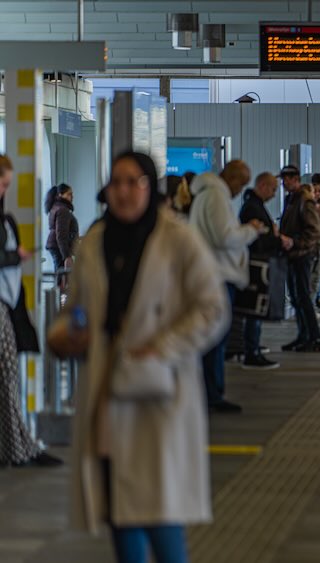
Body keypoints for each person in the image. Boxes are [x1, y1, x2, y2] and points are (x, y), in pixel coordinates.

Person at [48, 151, 227, 563]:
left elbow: (212, 308)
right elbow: (74, 309)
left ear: (149, 186)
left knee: (160, 509)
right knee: (119, 509)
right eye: (117, 183)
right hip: (107, 391)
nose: (125, 191)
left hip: (160, 389)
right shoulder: (93, 242)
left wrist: (162, 347)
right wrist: (65, 336)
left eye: (135, 182)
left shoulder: (177, 239)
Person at [189, 160, 266, 413]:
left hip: (211, 273)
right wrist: (251, 230)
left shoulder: (207, 195)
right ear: (231, 178)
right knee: (216, 337)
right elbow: (225, 237)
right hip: (218, 275)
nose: (239, 191)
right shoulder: (215, 196)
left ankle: (210, 392)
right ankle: (213, 395)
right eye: (241, 184)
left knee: (214, 336)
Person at [0, 155, 61, 468]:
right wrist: (13, 256)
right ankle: (18, 448)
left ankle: (18, 446)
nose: (4, 190)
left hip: (8, 305)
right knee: (7, 376)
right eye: (3, 183)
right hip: (3, 306)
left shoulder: (6, 220)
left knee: (8, 377)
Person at [239, 172, 292, 369]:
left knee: (256, 311)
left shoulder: (254, 205)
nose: (273, 194)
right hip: (257, 263)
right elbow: (258, 238)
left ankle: (253, 347)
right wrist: (278, 239)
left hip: (258, 261)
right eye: (272, 189)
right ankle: (251, 352)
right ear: (262, 185)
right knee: (254, 310)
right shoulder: (252, 207)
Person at [278, 165, 320, 352]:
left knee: (303, 297)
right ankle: (303, 336)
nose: (283, 183)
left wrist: (294, 242)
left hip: (302, 256)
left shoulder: (305, 200)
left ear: (295, 179)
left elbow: (315, 231)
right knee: (297, 298)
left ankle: (314, 338)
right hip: (292, 256)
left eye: (286, 179)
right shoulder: (291, 199)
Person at [44, 183, 79, 275]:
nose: (72, 197)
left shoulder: (56, 207)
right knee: (62, 277)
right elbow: (61, 235)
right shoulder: (62, 210)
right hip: (59, 247)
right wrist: (66, 256)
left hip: (56, 246)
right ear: (60, 195)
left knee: (60, 275)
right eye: (69, 194)